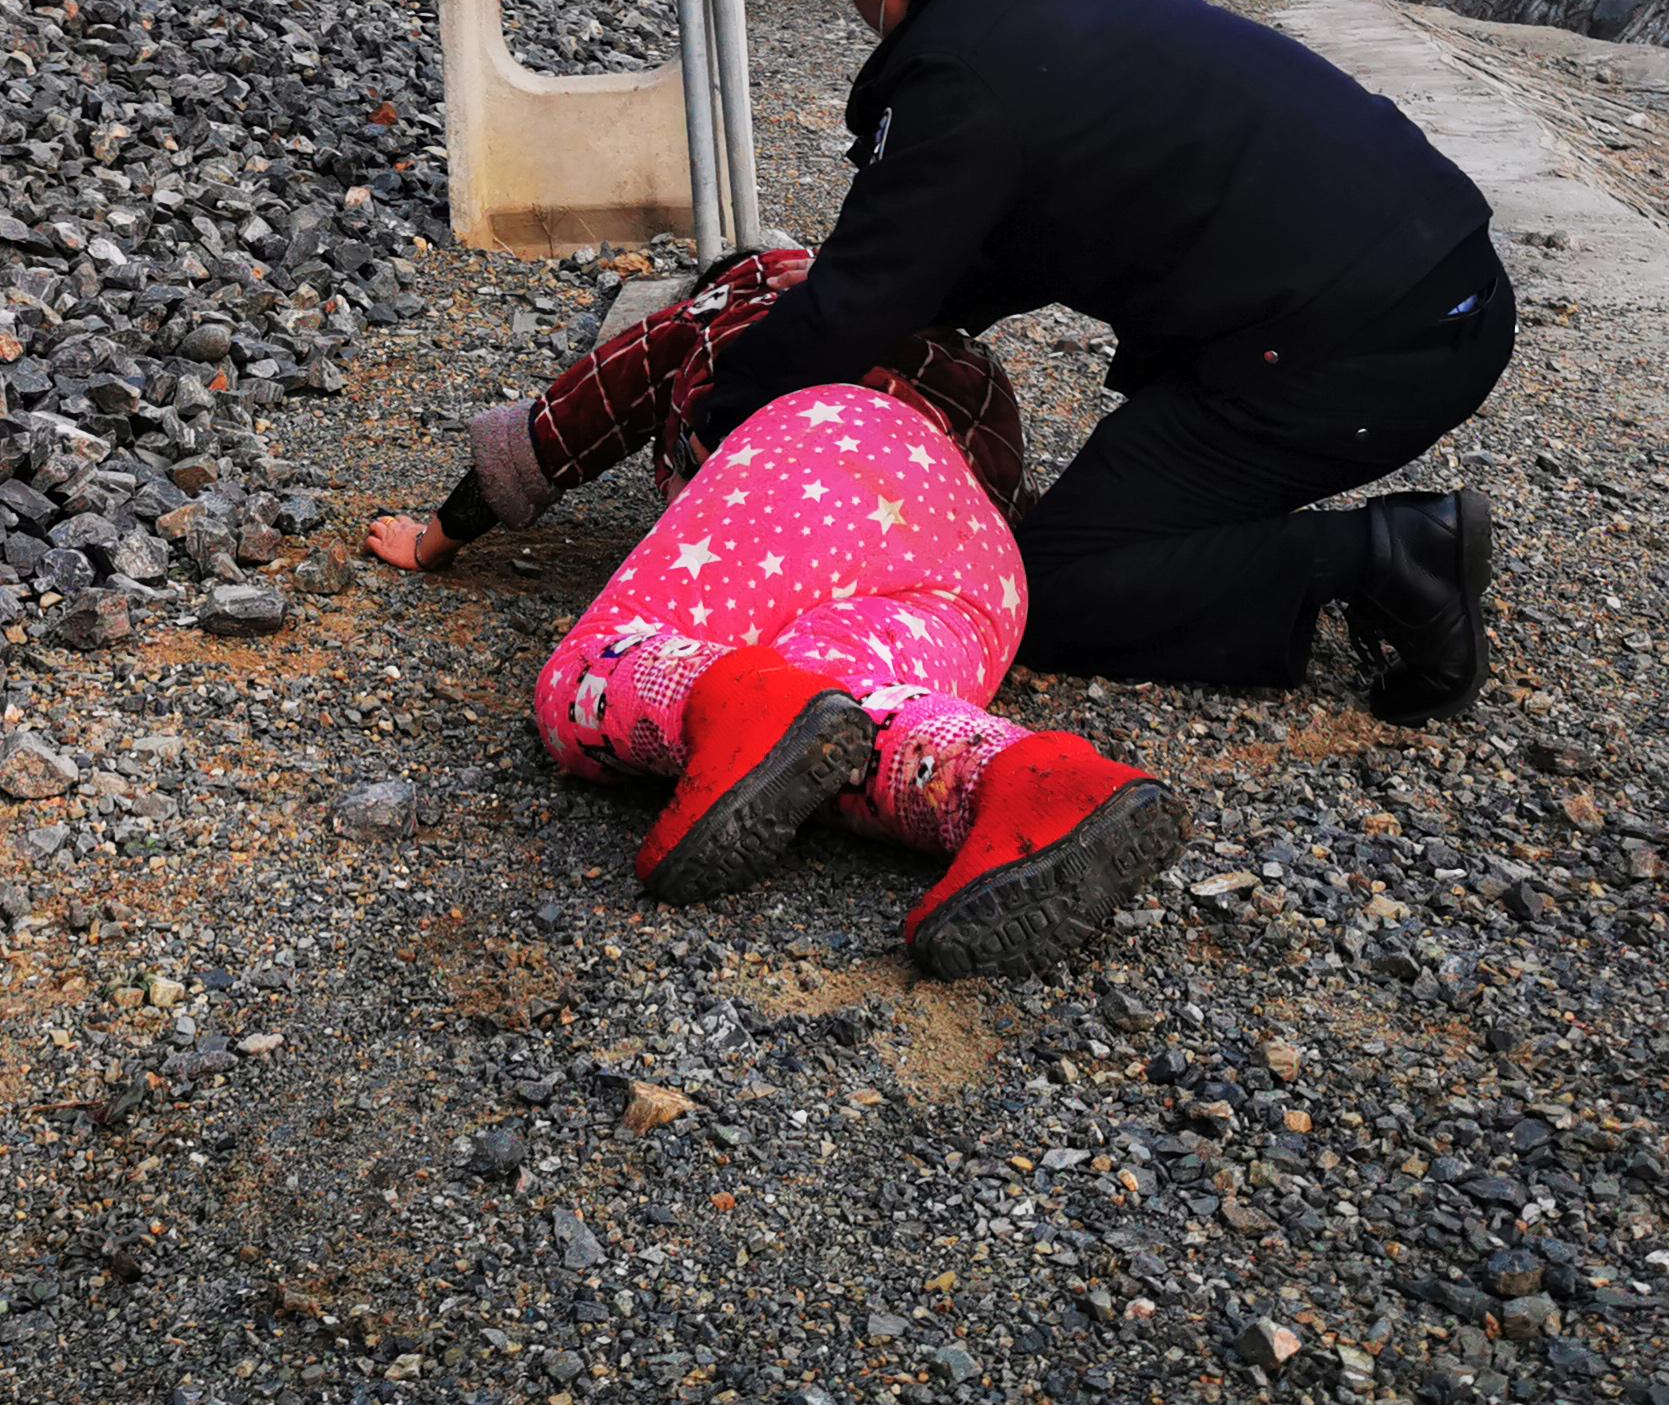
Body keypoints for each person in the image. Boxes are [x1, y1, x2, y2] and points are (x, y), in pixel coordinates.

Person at [696, 0, 1515, 718]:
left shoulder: (959, 78)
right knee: (1125, 509)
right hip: (1445, 274)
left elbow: (856, 305)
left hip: (1359, 354)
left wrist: (717, 419)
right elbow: (1023, 237)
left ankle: (1390, 559)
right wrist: (907, 307)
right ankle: (1302, 544)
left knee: (1041, 592)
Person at [371, 271, 1183, 978]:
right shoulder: (971, 362)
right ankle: (1024, 780)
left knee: (588, 670)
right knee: (851, 698)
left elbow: (561, 428)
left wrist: (436, 540)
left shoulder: (742, 297)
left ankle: (724, 699)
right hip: (986, 564)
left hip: (819, 449)